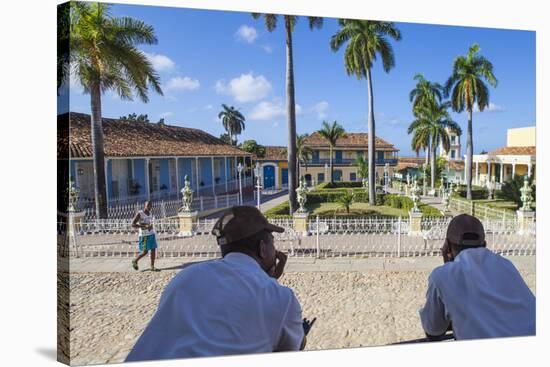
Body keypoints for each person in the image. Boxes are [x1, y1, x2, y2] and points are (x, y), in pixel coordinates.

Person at [126, 206, 310, 362]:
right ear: (262, 248)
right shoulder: (281, 299)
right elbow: (288, 354)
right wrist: (271, 285)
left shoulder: (185, 278)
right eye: (272, 243)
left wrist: (268, 282)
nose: (275, 249)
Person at [419, 214, 536, 340]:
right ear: (484, 244)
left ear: (446, 246)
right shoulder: (506, 264)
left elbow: (433, 332)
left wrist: (448, 265)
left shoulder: (441, 276)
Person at [131, 201, 159, 272]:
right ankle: (135, 260)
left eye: (150, 206)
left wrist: (150, 226)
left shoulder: (150, 213)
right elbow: (133, 224)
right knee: (145, 252)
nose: (149, 207)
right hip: (144, 235)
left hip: (151, 233)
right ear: (145, 206)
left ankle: (152, 266)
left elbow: (149, 223)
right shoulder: (140, 213)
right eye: (148, 206)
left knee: (153, 249)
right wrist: (144, 226)